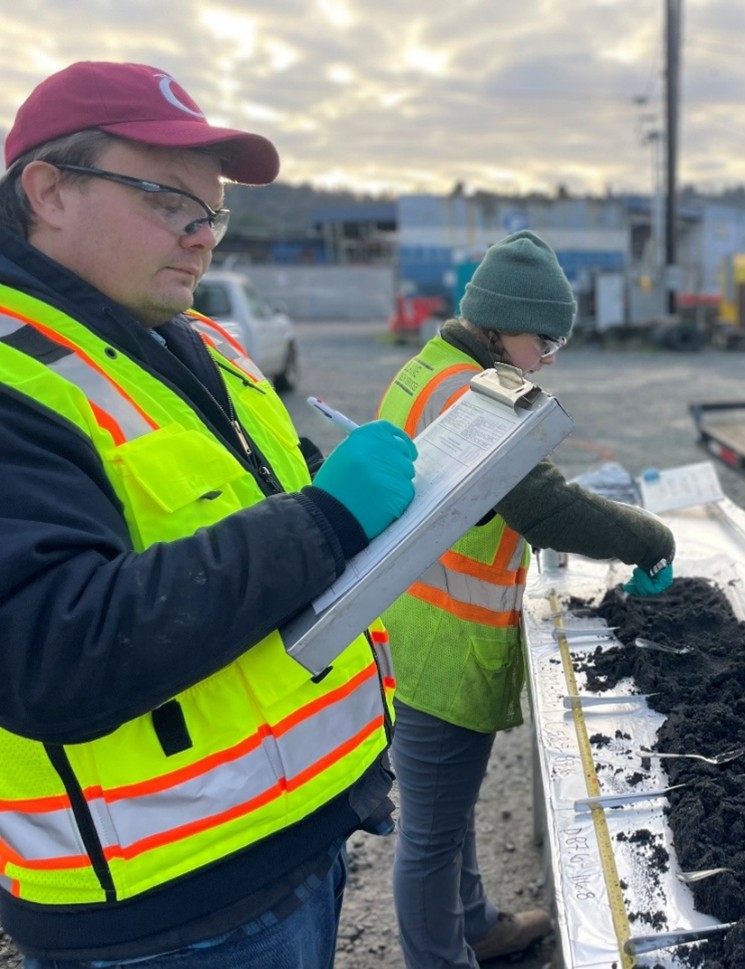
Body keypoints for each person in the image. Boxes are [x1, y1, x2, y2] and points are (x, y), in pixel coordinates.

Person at [0, 62, 421, 966]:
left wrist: (403, 505)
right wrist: (328, 516)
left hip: (285, 841)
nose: (202, 238)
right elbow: (48, 647)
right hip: (160, 916)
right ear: (48, 192)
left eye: (213, 213)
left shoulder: (194, 339)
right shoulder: (13, 377)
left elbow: (259, 506)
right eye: (166, 200)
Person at [376, 230, 675, 967]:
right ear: (501, 326)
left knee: (449, 811)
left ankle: (477, 923)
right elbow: (542, 505)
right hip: (440, 643)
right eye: (543, 340)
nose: (544, 358)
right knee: (430, 832)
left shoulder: (433, 368)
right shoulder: (469, 395)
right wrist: (648, 537)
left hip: (412, 627)